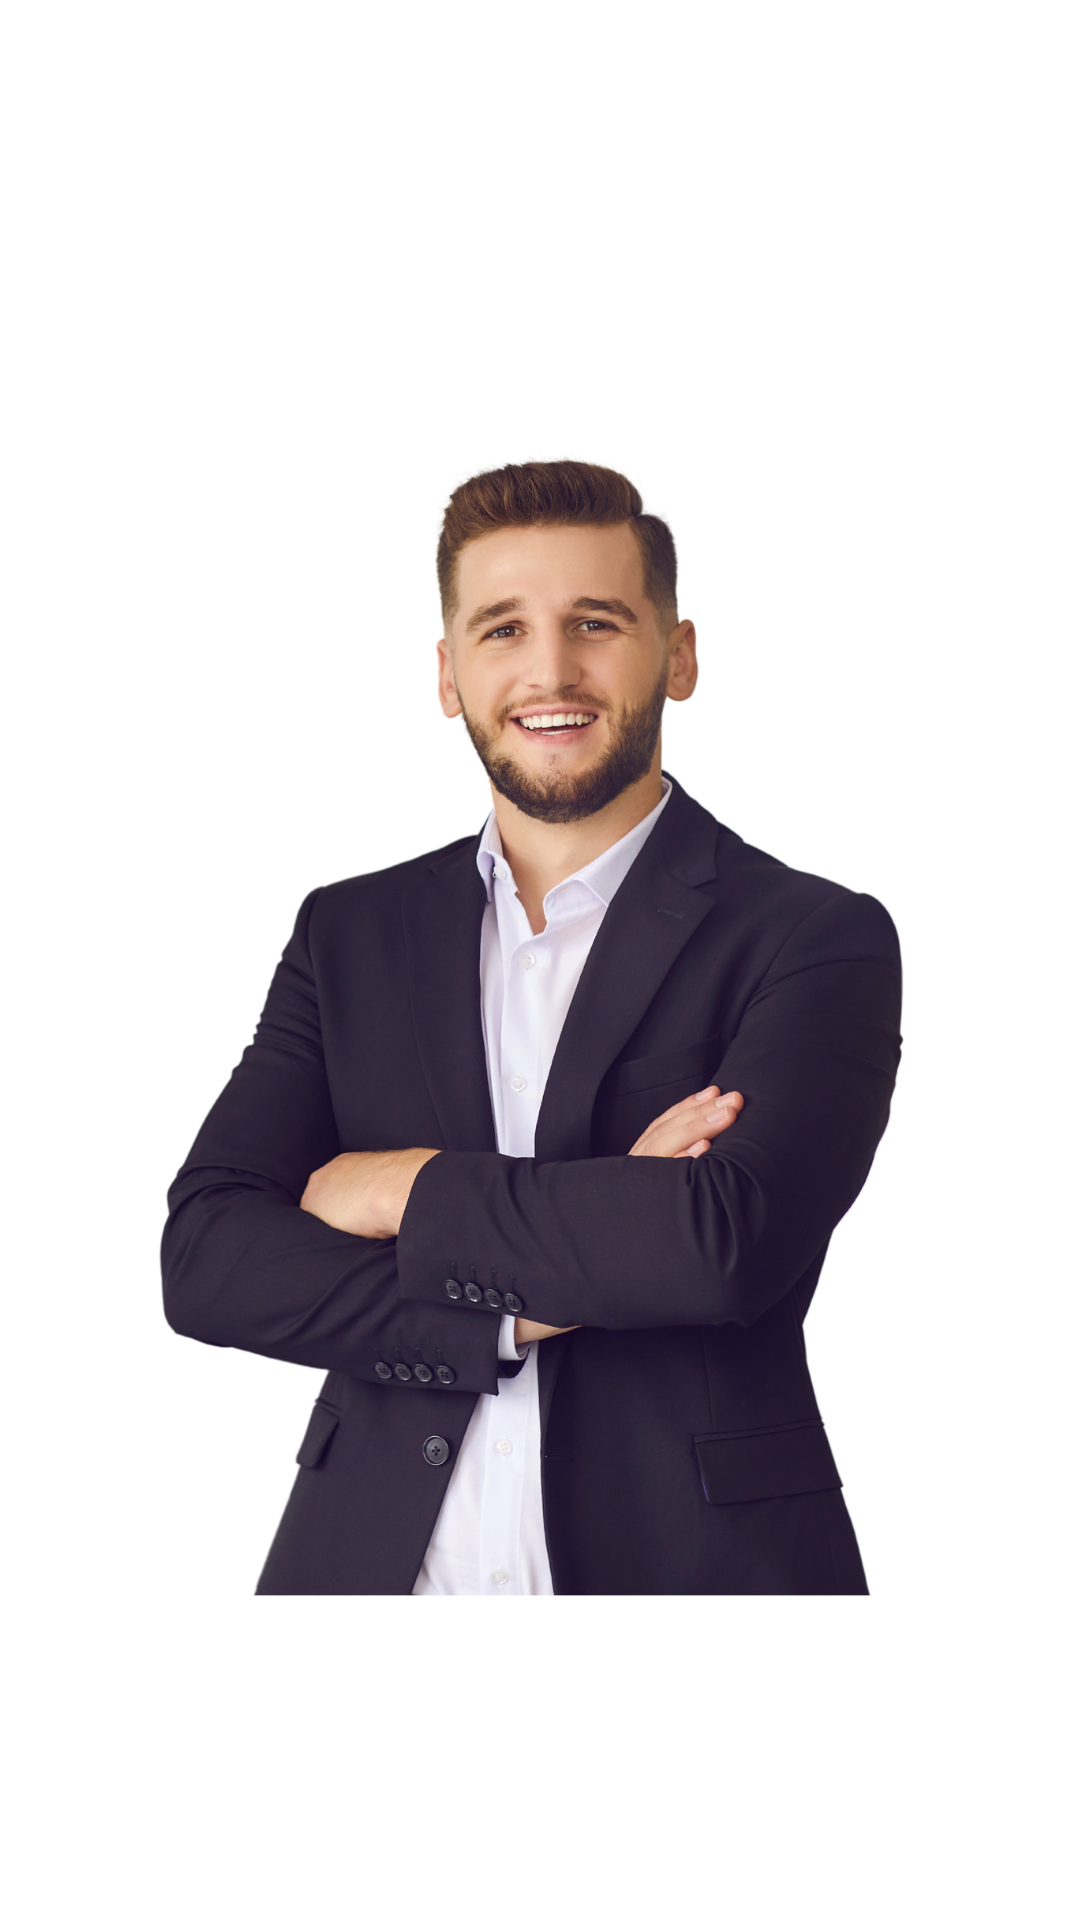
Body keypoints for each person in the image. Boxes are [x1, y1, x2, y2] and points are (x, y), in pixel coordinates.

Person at [160, 453, 903, 1596]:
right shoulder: (346, 931)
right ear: (449, 675)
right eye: (504, 629)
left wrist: (399, 1188)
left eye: (595, 622)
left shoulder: (816, 934)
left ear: (680, 656)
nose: (550, 670)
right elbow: (207, 1260)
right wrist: (561, 1275)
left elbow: (721, 1245)